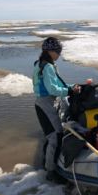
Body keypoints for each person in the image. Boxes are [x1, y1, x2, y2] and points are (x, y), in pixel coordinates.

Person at [32, 37, 81, 184]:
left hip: (44, 103)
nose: (60, 54)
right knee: (56, 136)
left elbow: (58, 84)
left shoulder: (42, 64)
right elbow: (52, 89)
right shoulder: (47, 67)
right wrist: (71, 92)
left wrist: (72, 87)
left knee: (48, 134)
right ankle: (51, 172)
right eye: (58, 51)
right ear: (50, 51)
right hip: (46, 104)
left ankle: (45, 162)